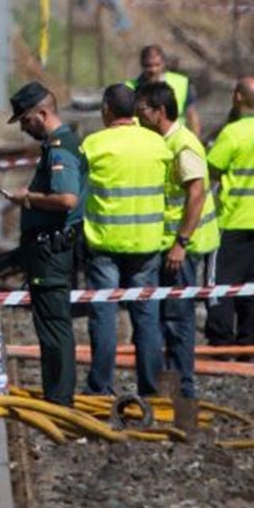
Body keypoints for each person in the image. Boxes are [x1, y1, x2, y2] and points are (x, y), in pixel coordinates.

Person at [79, 82, 170, 399]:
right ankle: (152, 388)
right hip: (146, 245)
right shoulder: (157, 144)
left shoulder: (93, 144)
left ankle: (101, 387)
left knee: (104, 318)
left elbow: (78, 192)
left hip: (105, 245)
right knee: (147, 320)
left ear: (106, 109)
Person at [3, 81, 83, 406]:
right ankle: (58, 396)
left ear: (42, 113)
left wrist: (28, 199)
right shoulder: (59, 145)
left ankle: (59, 401)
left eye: (25, 120)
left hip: (51, 250)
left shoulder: (60, 147)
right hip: (51, 248)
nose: (23, 127)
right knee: (53, 326)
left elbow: (66, 198)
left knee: (53, 328)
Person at [136, 79, 214, 401]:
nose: (139, 117)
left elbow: (195, 194)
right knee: (167, 317)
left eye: (143, 111)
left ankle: (184, 388)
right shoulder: (165, 141)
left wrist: (181, 242)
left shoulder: (182, 144)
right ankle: (171, 384)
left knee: (178, 319)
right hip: (172, 243)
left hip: (185, 246)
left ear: (160, 112)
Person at [205, 75, 254, 348]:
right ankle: (250, 340)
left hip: (233, 217)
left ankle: (221, 339)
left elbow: (211, 168)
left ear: (237, 97)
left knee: (221, 281)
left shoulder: (233, 132)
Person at [132, 44, 201, 137]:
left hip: (174, 138)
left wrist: (195, 140)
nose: (153, 70)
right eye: (148, 66)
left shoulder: (182, 83)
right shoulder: (130, 88)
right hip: (144, 140)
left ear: (163, 63)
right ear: (141, 64)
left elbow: (192, 116)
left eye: (157, 65)